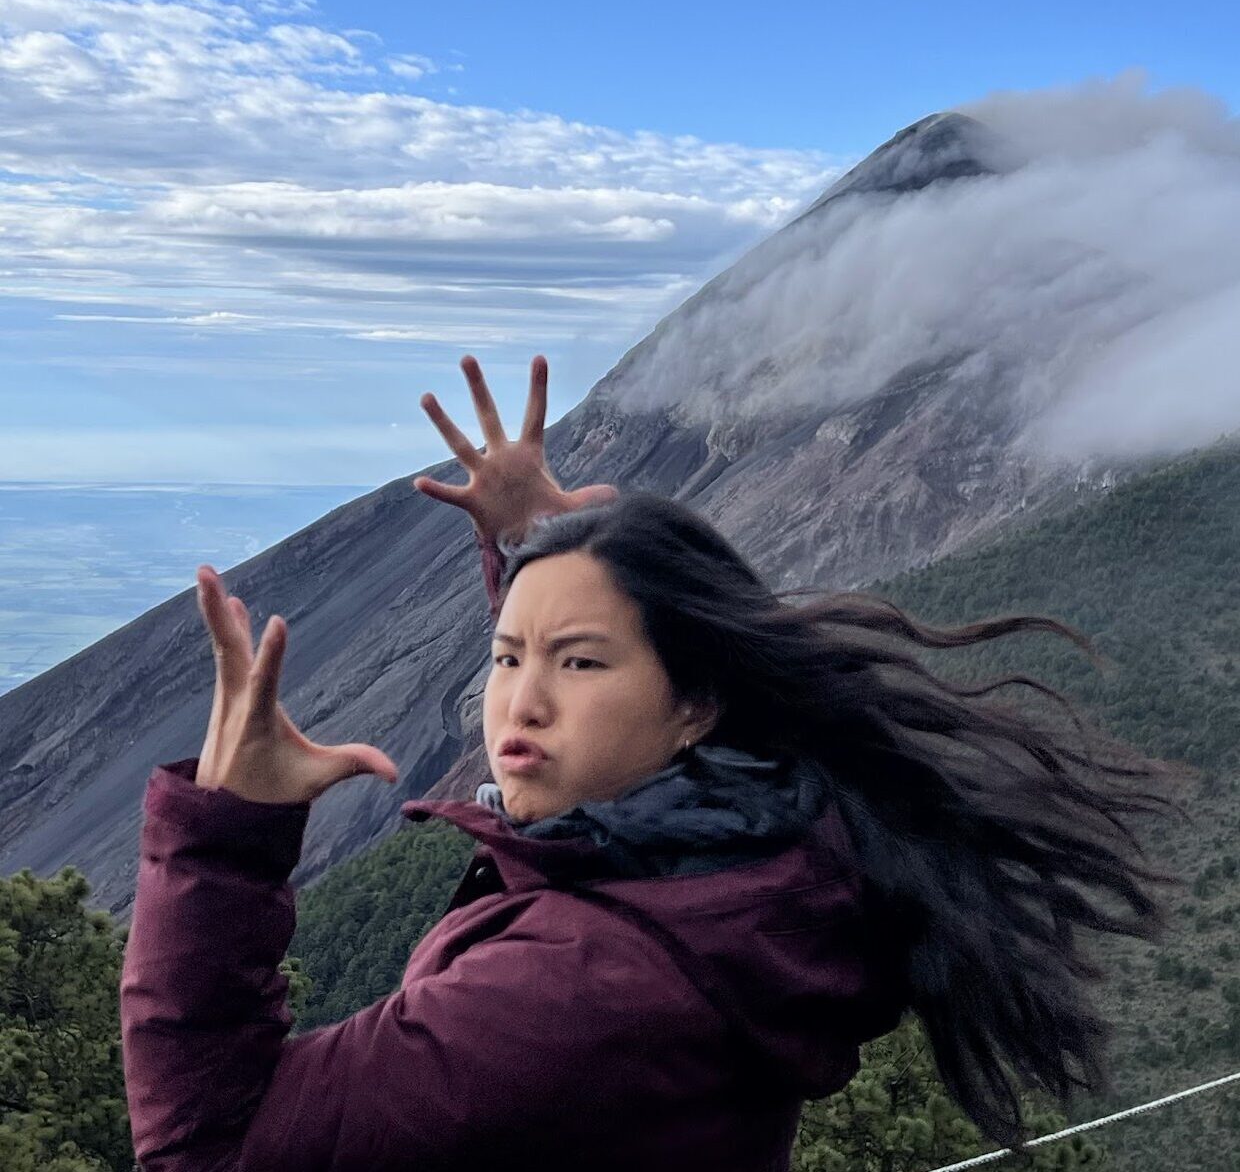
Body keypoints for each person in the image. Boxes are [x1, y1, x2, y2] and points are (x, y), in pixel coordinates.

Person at [119, 355, 1191, 1171]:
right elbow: (618, 701)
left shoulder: (573, 992)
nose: (518, 703)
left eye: (578, 661)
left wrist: (226, 832)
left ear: (695, 705)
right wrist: (552, 561)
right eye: (505, 658)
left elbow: (213, 1140)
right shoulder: (757, 846)